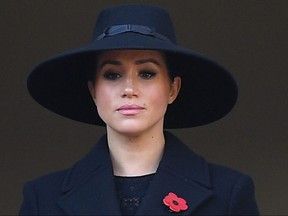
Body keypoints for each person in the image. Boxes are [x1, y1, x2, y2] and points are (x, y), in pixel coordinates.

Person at [19, 4, 259, 215]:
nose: (129, 89)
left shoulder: (228, 193)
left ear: (172, 89)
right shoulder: (43, 198)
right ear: (93, 91)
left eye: (147, 73)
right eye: (112, 75)